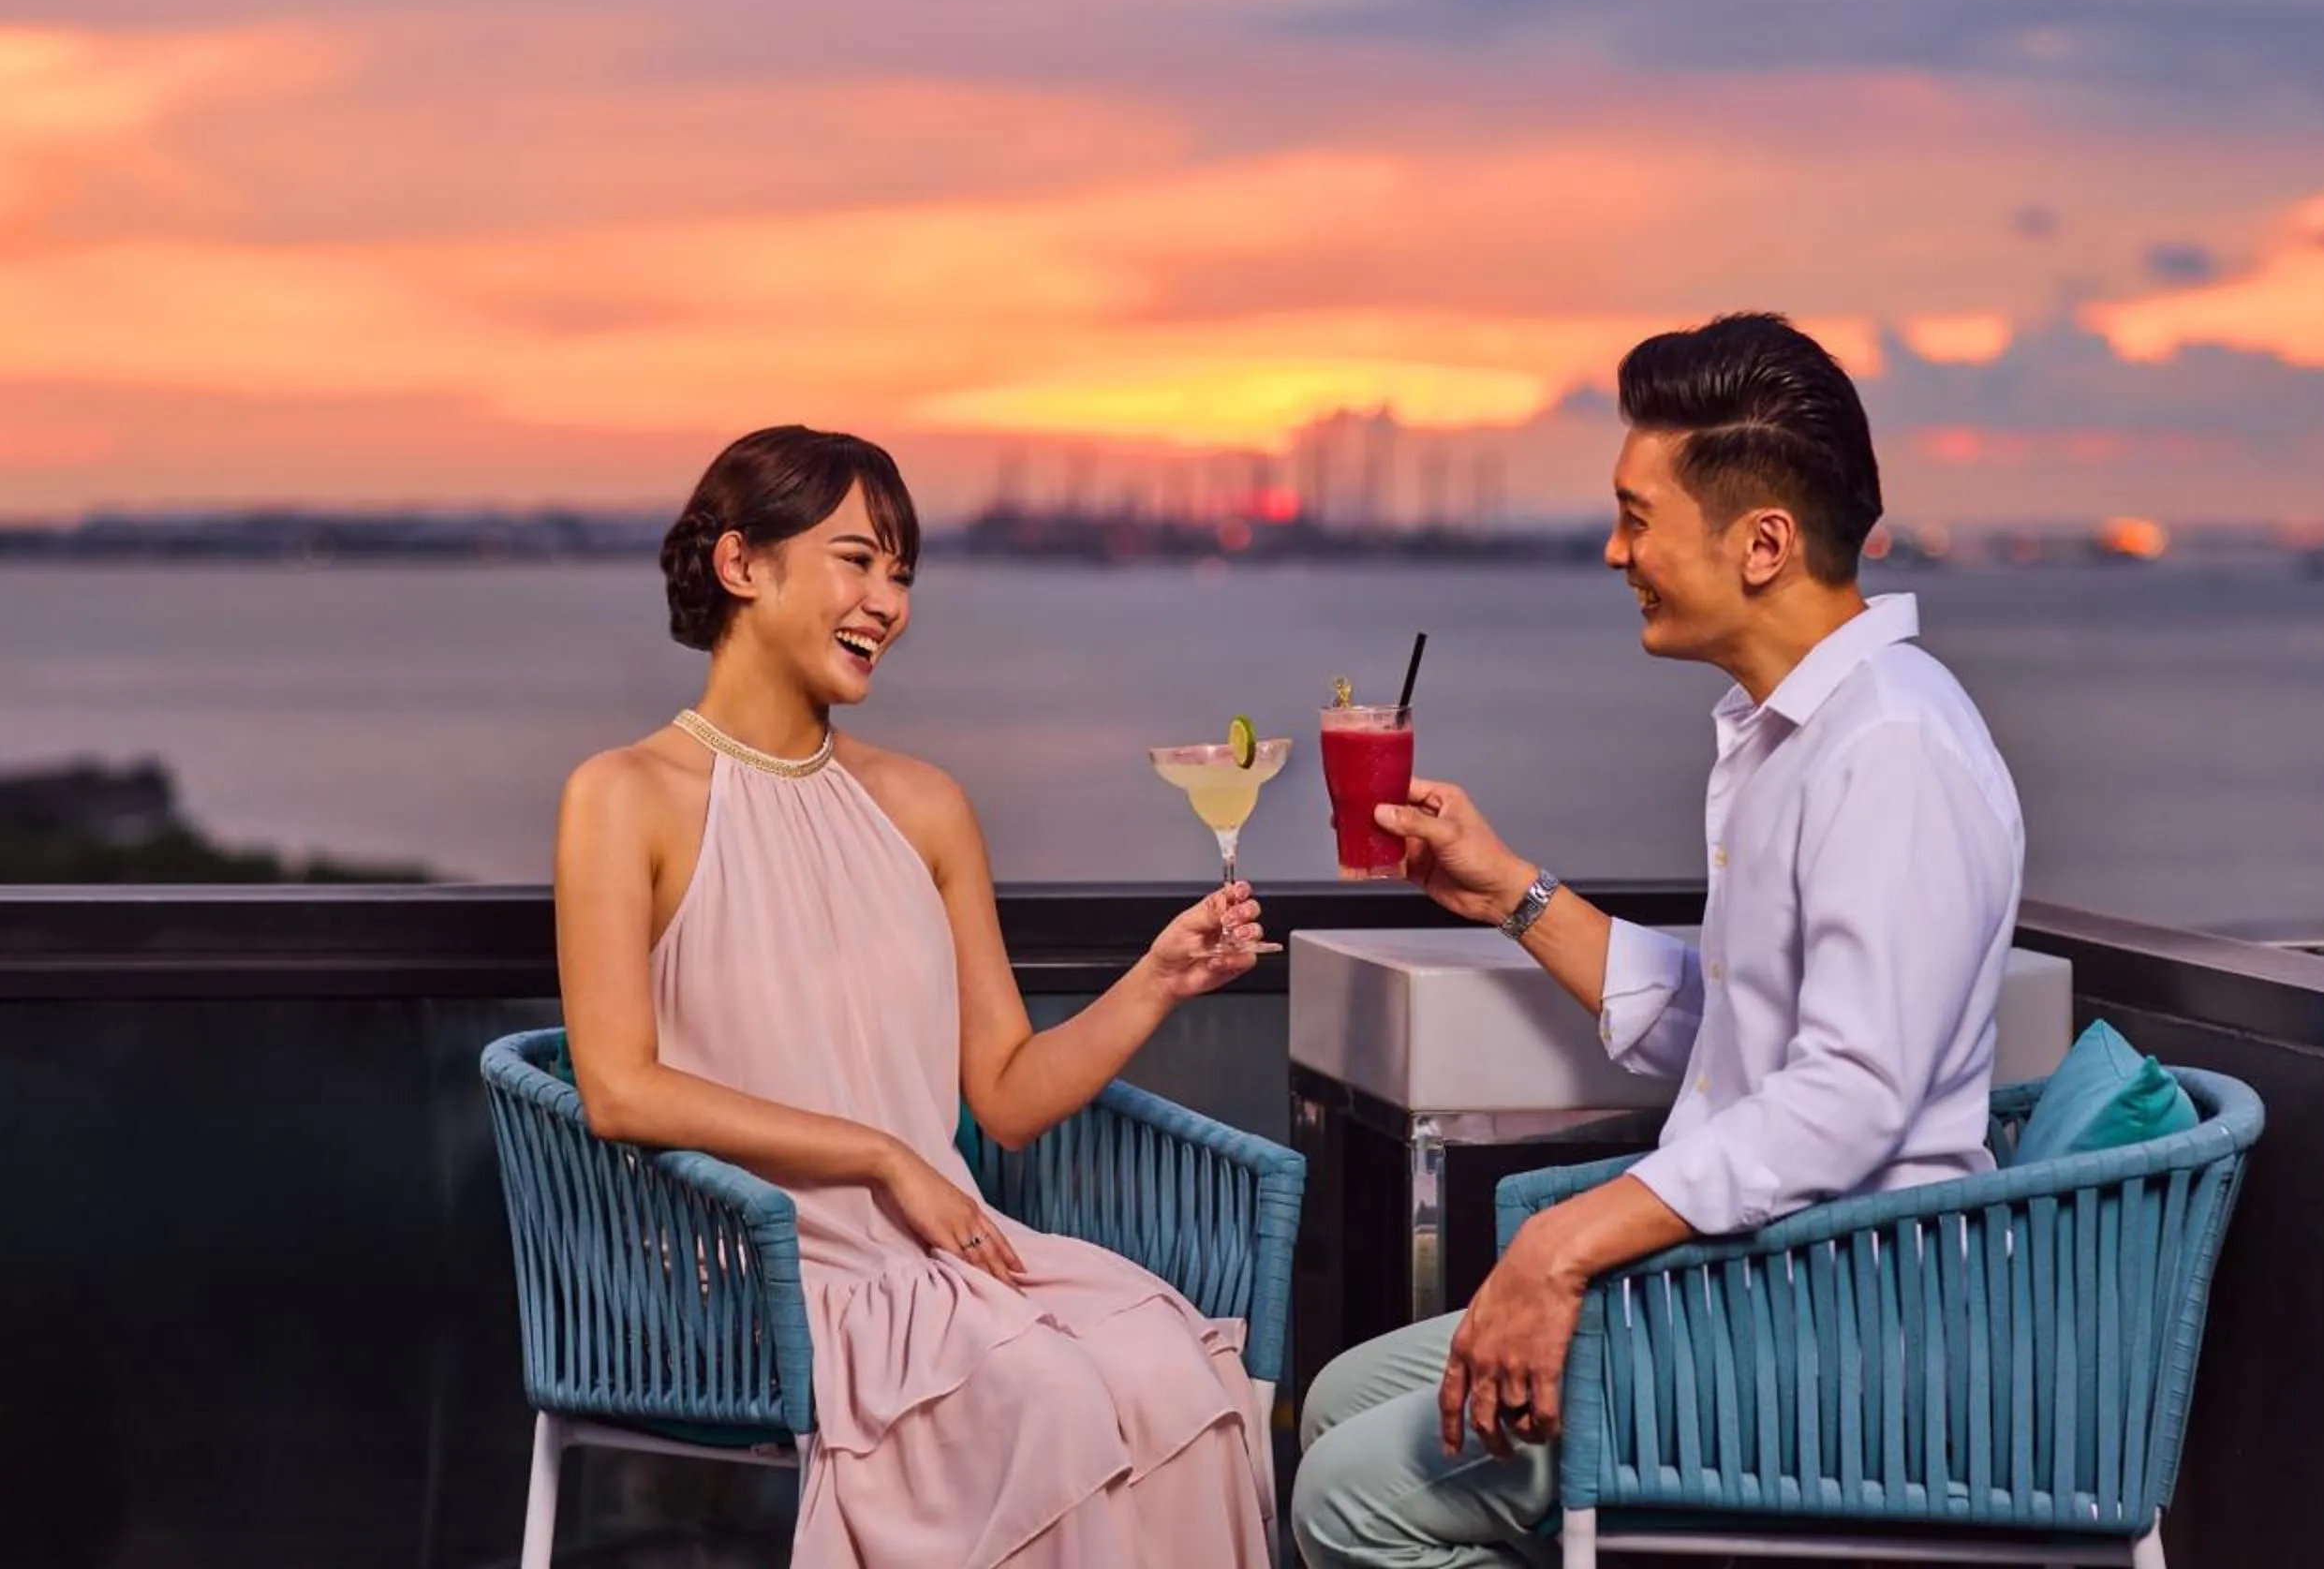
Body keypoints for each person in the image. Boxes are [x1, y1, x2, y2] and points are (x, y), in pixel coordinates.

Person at [1291, 314, 2026, 1568]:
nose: (1614, 548)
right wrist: (1511, 892)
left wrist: (1562, 1242)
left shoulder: (1891, 749)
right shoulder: (1792, 737)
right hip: (1757, 1280)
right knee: (1338, 1402)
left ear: (1763, 544)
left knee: (1347, 1498)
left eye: (1638, 516)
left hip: (1841, 1322)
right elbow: (1743, 1033)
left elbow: (1851, 1093)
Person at [555, 424, 1276, 1569]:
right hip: (760, 1267)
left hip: (952, 1258)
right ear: (743, 565)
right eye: (856, 559)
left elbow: (1005, 1095)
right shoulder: (623, 796)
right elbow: (617, 1088)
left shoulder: (926, 806)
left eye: (902, 572)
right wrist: (883, 1155)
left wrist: (1159, 978)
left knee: (1169, 1373)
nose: (887, 600)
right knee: (1045, 1394)